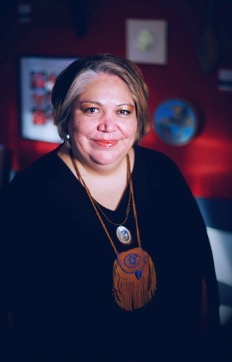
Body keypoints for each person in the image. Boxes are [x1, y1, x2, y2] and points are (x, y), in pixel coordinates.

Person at [0, 53, 221, 361]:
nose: (109, 126)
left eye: (123, 111)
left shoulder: (163, 172)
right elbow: (15, 310)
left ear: (137, 118)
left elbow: (199, 275)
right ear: (66, 115)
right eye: (92, 109)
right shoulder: (30, 190)